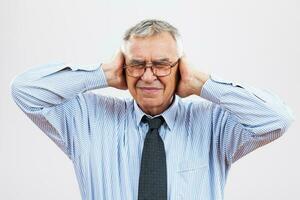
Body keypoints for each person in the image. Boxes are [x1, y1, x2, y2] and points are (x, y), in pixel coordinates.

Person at [11, 19, 293, 200]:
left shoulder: (213, 125)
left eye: (161, 64)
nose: (147, 76)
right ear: (123, 65)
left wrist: (201, 83)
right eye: (137, 64)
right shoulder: (88, 121)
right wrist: (102, 74)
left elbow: (277, 120)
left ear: (180, 67)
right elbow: (25, 91)